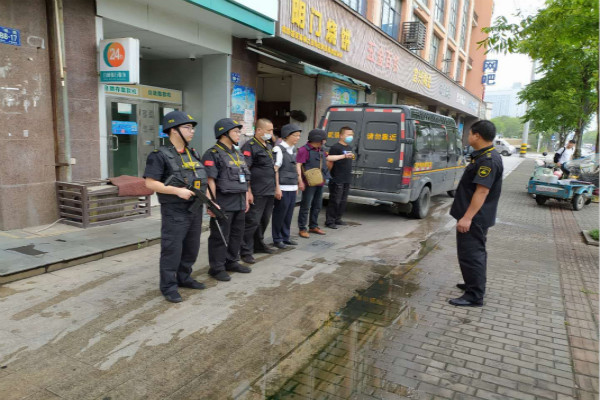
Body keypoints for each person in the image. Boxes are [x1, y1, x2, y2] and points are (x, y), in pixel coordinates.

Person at [143, 111, 208, 303]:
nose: (192, 131)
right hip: (175, 210)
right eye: (187, 127)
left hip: (195, 208)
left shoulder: (193, 153)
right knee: (172, 249)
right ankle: (168, 286)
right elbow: (150, 183)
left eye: (192, 128)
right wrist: (176, 191)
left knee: (191, 247)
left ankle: (184, 277)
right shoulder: (159, 155)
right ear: (173, 130)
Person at [449, 120, 503, 307]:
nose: (468, 136)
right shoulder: (482, 156)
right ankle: (472, 283)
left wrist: (467, 218)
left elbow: (482, 191)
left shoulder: (488, 160)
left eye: (470, 133)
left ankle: (474, 295)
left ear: (477, 136)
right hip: (475, 216)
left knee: (472, 254)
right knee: (471, 253)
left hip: (475, 218)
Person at [202, 118, 252, 281]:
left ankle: (231, 261)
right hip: (223, 202)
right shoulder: (213, 153)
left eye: (239, 131)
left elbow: (244, 177)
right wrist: (211, 203)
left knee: (236, 234)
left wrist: (246, 196)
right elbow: (210, 180)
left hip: (239, 200)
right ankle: (216, 268)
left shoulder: (237, 153)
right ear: (224, 133)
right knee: (219, 236)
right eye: (236, 131)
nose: (239, 134)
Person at [240, 119, 277, 264]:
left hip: (269, 190)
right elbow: (245, 170)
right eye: (269, 130)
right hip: (257, 191)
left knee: (264, 220)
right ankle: (245, 250)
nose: (271, 133)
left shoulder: (268, 146)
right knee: (252, 221)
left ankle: (258, 244)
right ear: (259, 130)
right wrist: (248, 191)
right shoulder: (249, 146)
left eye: (272, 130)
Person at [272, 124, 302, 249]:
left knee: (289, 214)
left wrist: (297, 184)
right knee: (280, 214)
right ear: (287, 135)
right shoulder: (278, 149)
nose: (298, 138)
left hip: (292, 187)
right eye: (295, 135)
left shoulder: (294, 149)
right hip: (282, 188)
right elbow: (275, 170)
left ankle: (285, 236)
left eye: (299, 136)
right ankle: (277, 238)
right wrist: (277, 188)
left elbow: (295, 168)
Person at [297, 129, 330, 238]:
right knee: (305, 206)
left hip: (319, 181)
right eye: (323, 139)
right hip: (309, 183)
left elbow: (328, 158)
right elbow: (298, 165)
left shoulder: (320, 150)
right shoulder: (303, 150)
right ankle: (302, 228)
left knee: (317, 205)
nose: (325, 141)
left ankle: (313, 226)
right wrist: (300, 181)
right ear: (318, 139)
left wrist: (344, 156)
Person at [325, 126, 355, 229]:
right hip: (337, 178)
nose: (350, 136)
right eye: (348, 134)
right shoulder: (335, 147)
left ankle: (338, 219)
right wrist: (329, 175)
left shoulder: (349, 147)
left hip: (346, 178)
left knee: (343, 200)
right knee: (335, 200)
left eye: (352, 135)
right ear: (341, 135)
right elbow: (330, 162)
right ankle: (330, 221)